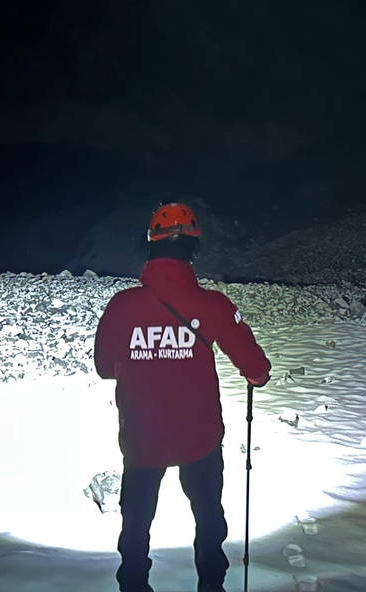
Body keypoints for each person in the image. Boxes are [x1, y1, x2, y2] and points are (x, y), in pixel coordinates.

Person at [94, 202, 271, 592]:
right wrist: (256, 375)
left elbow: (105, 367)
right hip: (200, 436)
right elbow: (256, 369)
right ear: (193, 247)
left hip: (142, 437)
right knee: (208, 515)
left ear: (151, 246)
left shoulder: (122, 307)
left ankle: (134, 583)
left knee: (136, 520)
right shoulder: (214, 306)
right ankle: (211, 583)